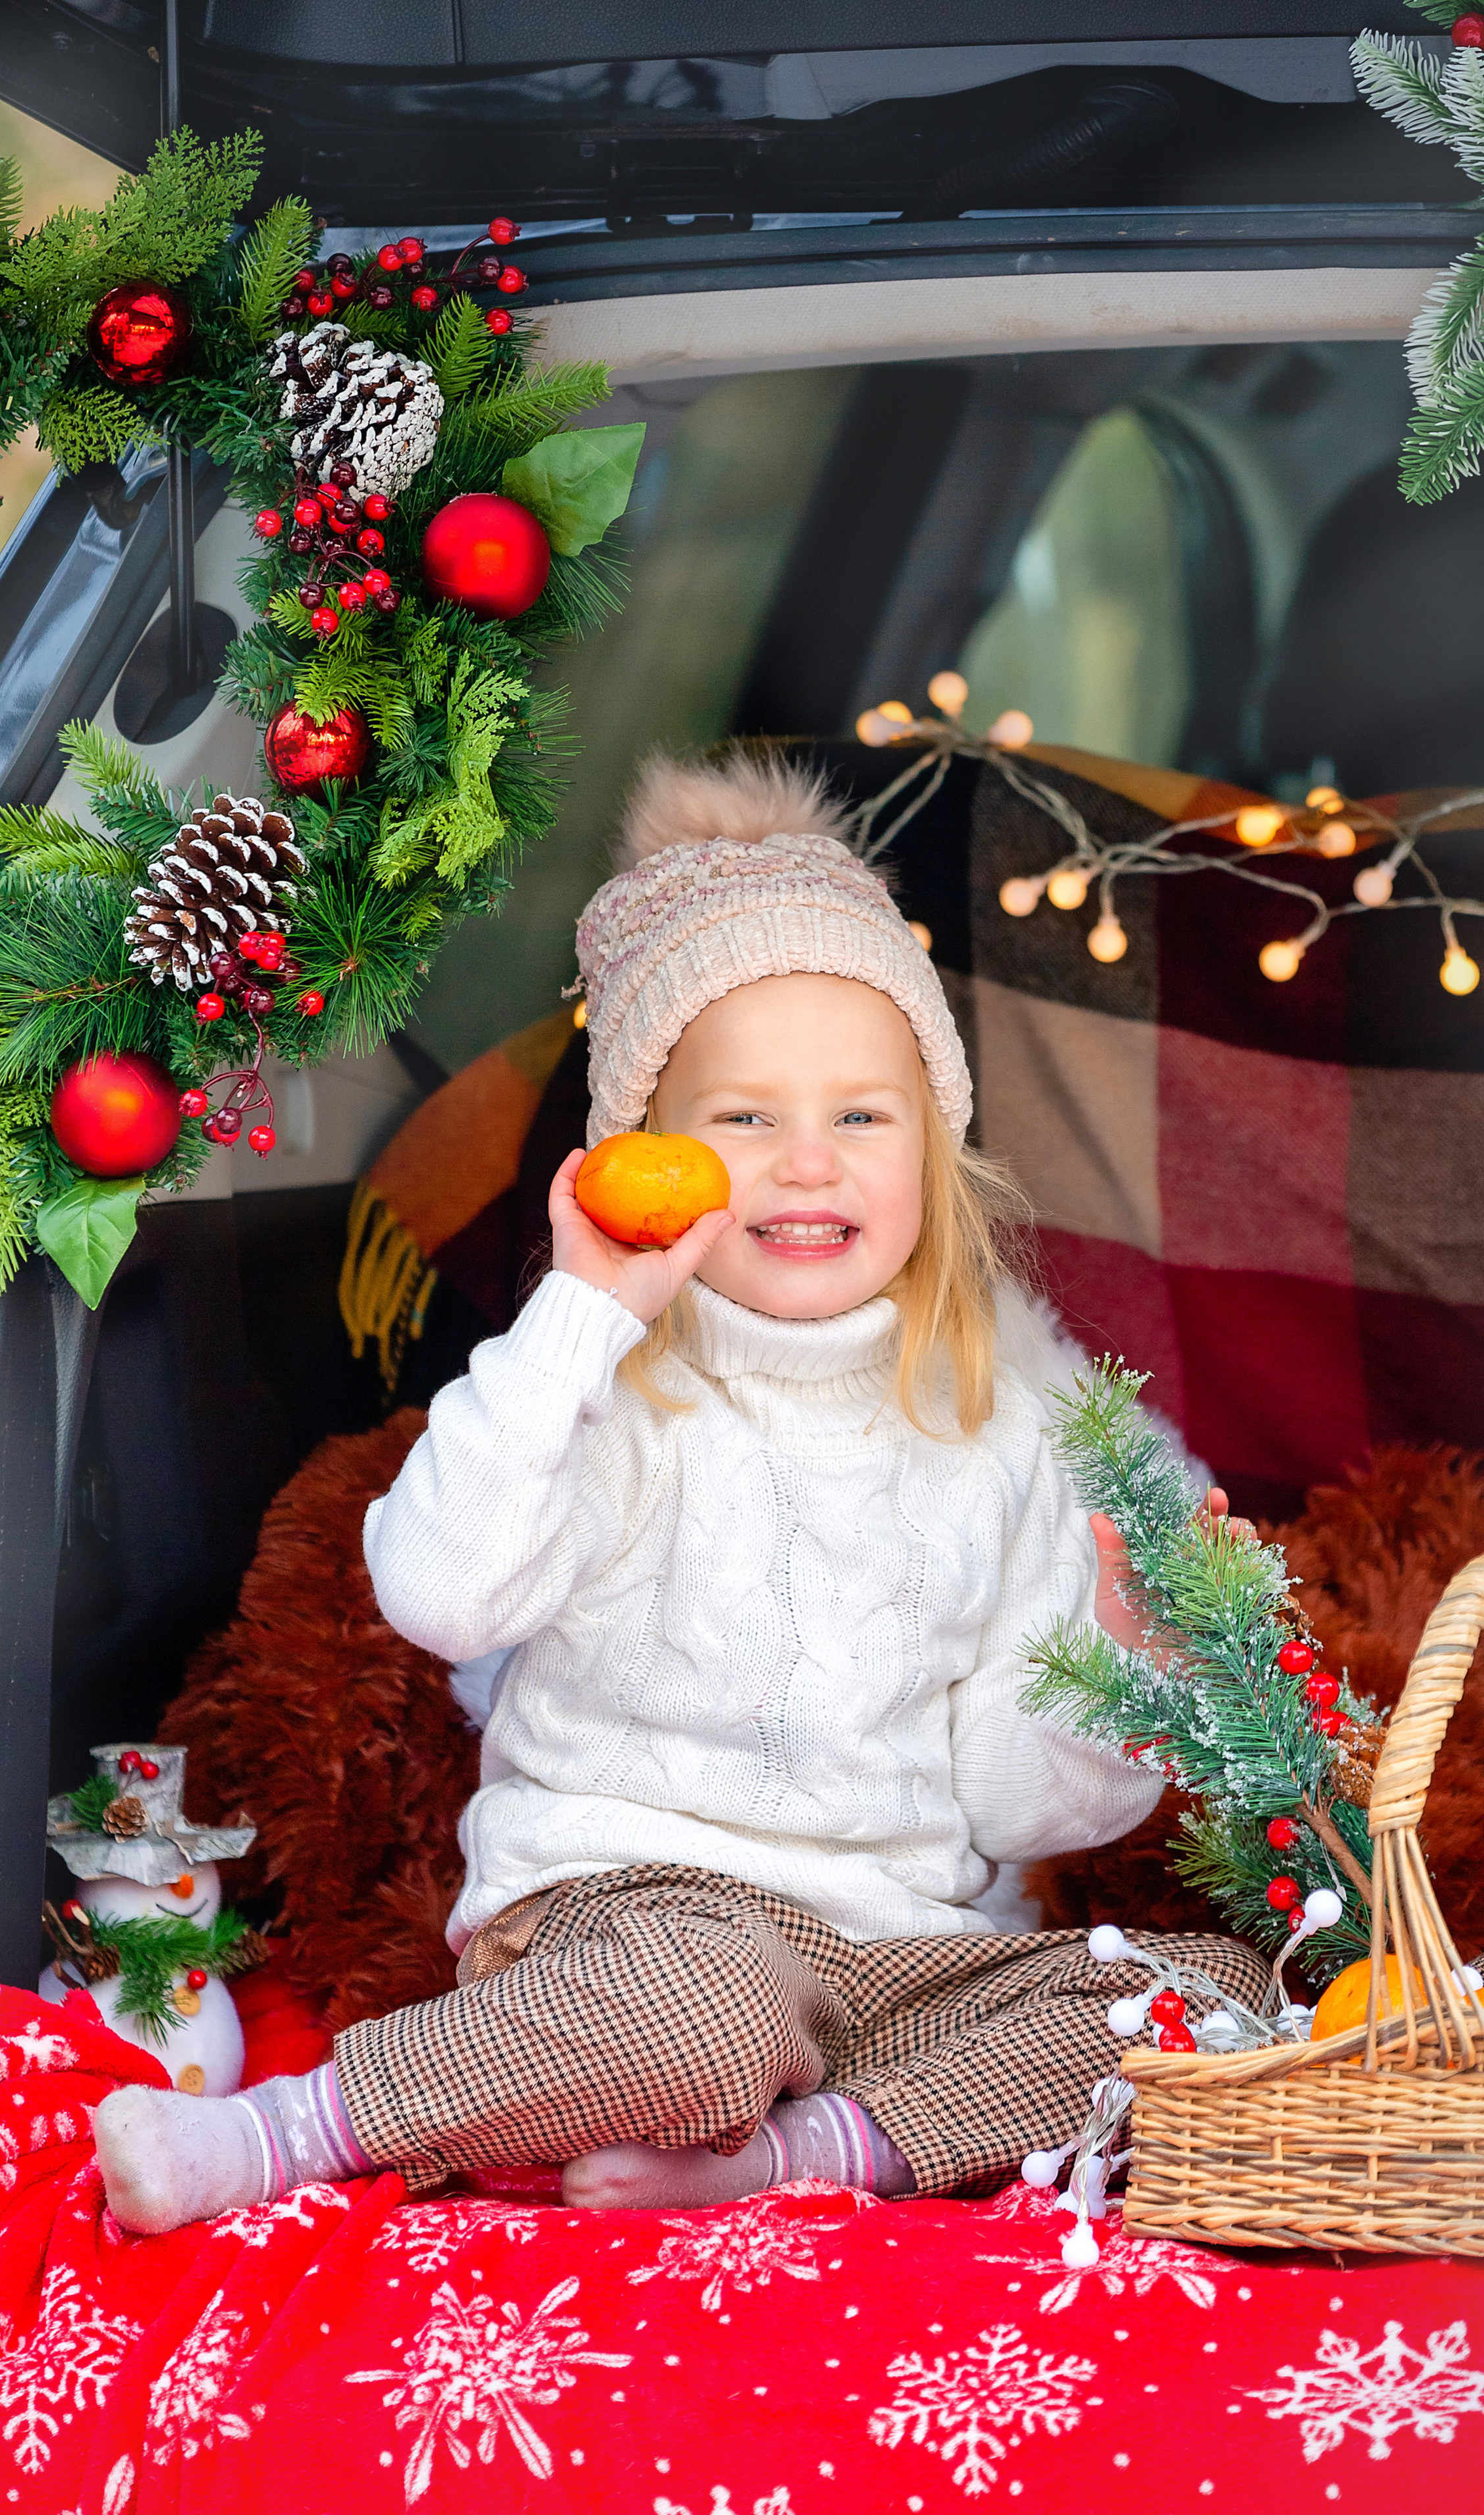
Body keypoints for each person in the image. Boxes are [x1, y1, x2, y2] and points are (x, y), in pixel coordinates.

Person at [94, 754, 1262, 2233]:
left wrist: (1125, 1660)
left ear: (934, 1153)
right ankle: (291, 2131)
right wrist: (582, 1313)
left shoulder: (1000, 1434)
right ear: (645, 1151)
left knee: (1203, 1995)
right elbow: (438, 1594)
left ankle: (802, 2155)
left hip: (905, 1962)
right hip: (636, 1933)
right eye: (744, 1119)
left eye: (859, 1117)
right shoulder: (605, 1393)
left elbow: (1011, 1805)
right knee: (697, 2021)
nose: (803, 1165)